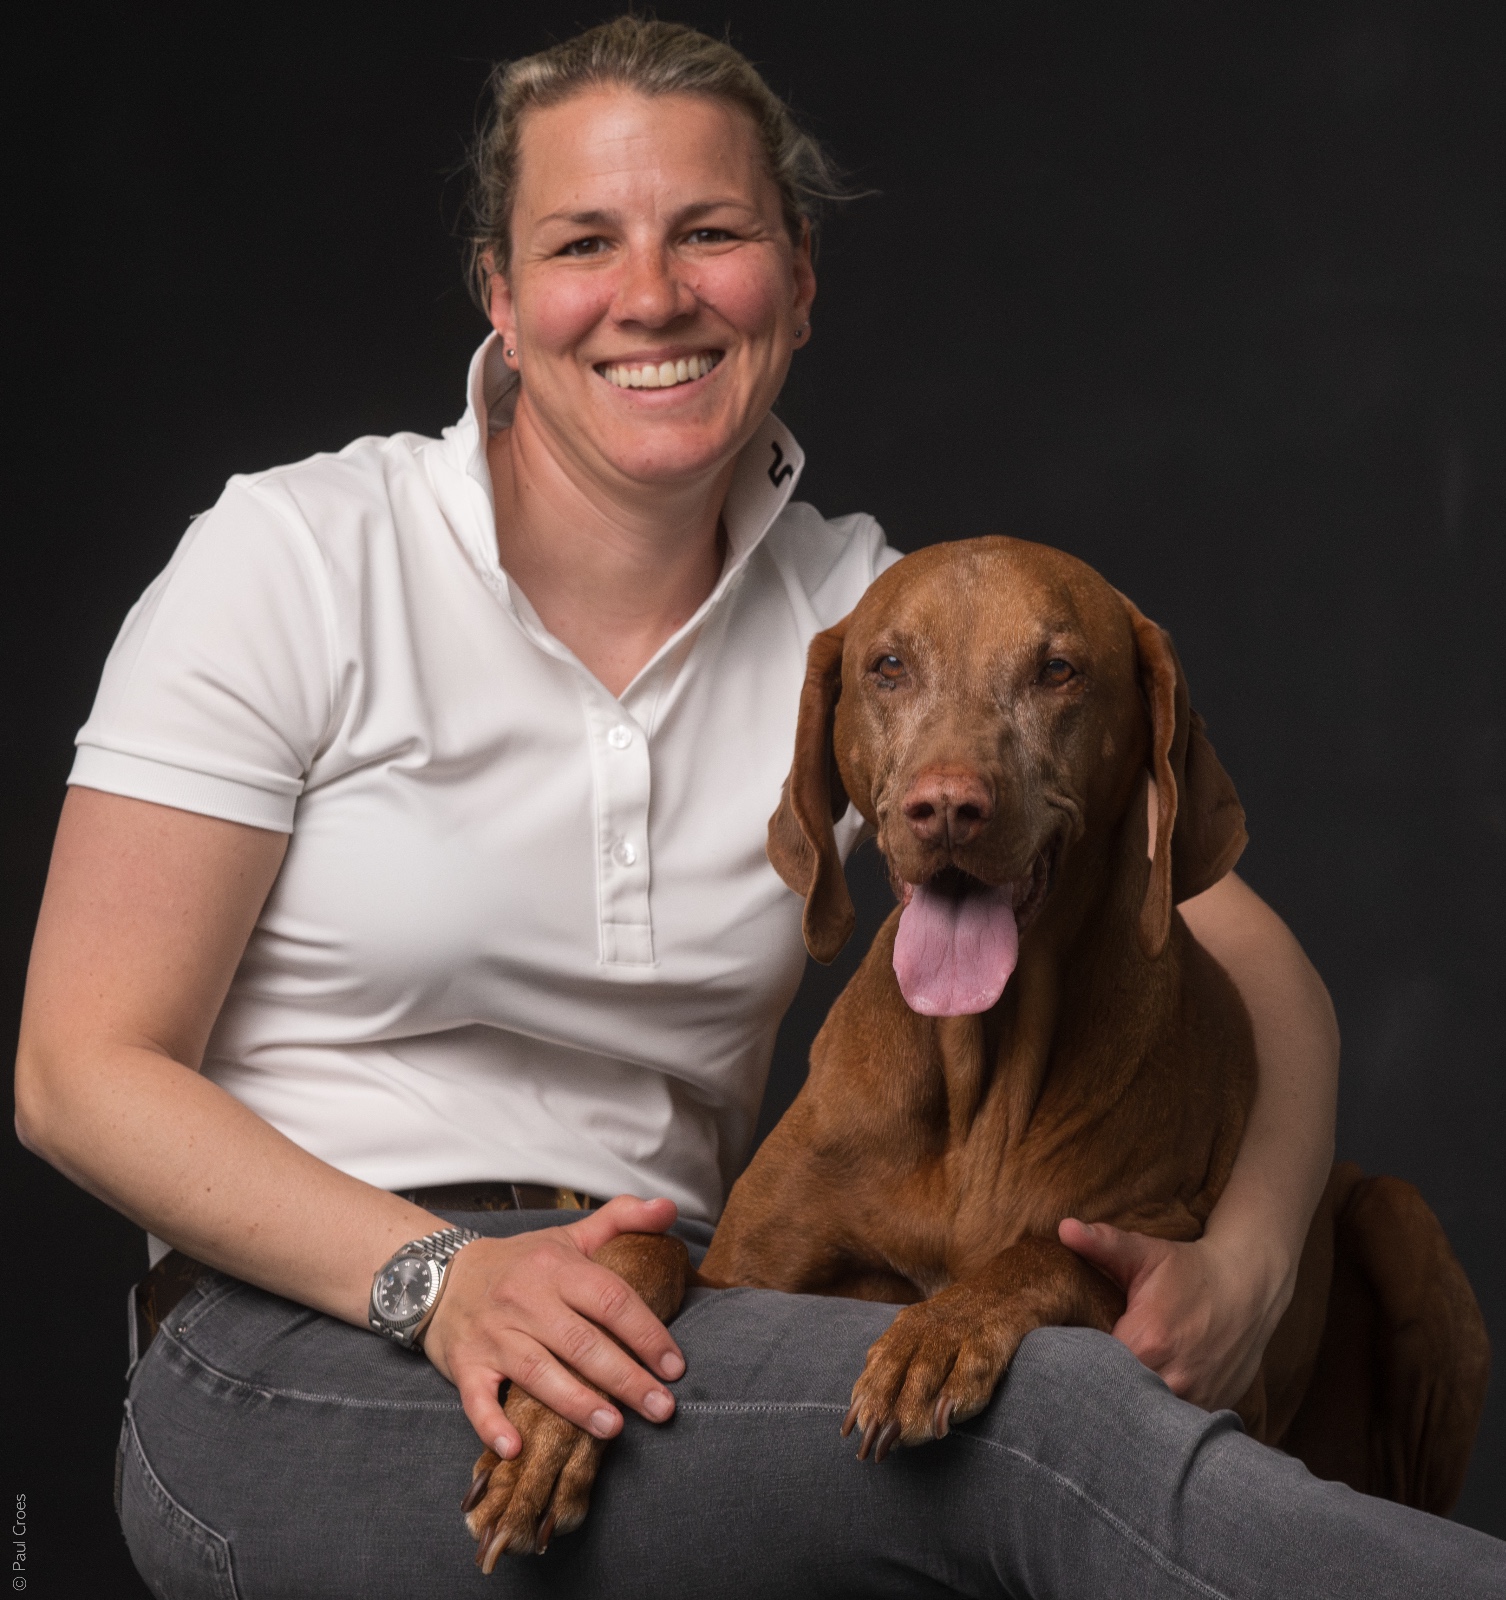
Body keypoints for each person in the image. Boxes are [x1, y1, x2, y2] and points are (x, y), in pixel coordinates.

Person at [13, 17, 1502, 1598]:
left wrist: (1252, 1269)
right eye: (584, 242)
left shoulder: (874, 623)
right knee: (1043, 1432)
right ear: (504, 301)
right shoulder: (298, 556)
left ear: (795, 281)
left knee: (1027, 1406)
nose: (651, 295)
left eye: (709, 234)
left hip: (677, 1319)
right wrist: (436, 1279)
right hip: (296, 1332)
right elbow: (74, 1071)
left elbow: (1259, 969)